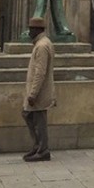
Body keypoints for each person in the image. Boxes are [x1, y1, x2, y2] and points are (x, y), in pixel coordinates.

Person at [22, 16, 55, 162]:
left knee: (39, 121)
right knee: (28, 115)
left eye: (30, 29)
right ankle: (37, 146)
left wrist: (33, 94)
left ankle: (43, 150)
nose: (29, 32)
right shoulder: (41, 44)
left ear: (37, 30)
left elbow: (40, 72)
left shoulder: (42, 46)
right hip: (36, 91)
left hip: (39, 92)